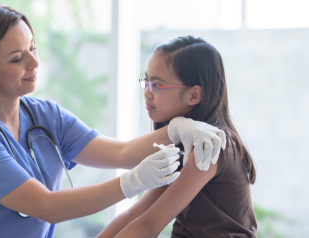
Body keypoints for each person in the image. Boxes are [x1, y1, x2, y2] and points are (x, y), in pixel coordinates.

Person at [0, 4, 226, 238]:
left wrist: (177, 129)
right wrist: (133, 182)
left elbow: (121, 152)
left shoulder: (46, 115)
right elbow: (47, 207)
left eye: (32, 48)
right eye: (17, 58)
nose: (34, 63)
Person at [97, 35, 257, 238]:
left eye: (156, 85)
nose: (147, 92)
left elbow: (147, 226)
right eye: (146, 81)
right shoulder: (184, 145)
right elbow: (135, 214)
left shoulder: (210, 145)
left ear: (194, 95)